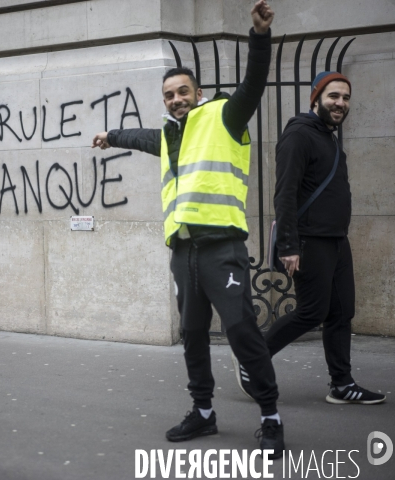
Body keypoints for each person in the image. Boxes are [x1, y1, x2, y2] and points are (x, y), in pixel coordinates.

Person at [92, 0, 285, 457]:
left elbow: (254, 83)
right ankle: (203, 412)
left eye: (182, 92)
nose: (176, 99)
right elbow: (141, 137)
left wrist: (259, 35)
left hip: (223, 249)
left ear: (197, 92)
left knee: (241, 333)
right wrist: (111, 136)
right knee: (193, 334)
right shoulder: (169, 135)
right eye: (168, 95)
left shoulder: (224, 116)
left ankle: (271, 417)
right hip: (184, 253)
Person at [234, 72, 385, 406]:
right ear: (315, 98)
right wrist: (288, 245)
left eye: (345, 97)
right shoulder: (299, 135)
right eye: (333, 96)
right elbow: (285, 193)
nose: (340, 103)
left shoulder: (327, 137)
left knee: (342, 311)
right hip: (309, 240)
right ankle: (251, 358)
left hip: (335, 239)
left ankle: (342, 385)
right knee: (311, 311)